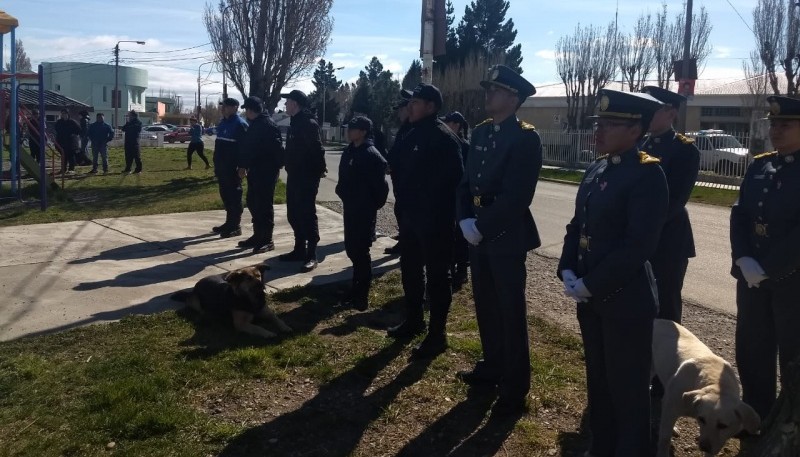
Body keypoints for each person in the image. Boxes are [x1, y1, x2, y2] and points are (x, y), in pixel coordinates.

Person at [558, 89, 668, 457]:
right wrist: (568, 268)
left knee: (628, 390)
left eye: (609, 124)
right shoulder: (598, 167)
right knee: (599, 383)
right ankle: (602, 446)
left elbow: (638, 246)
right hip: (591, 297)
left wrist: (591, 283)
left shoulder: (647, 175)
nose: (598, 131)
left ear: (635, 130)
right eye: (598, 123)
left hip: (625, 301)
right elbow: (578, 226)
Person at [455, 65, 541, 416]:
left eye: (495, 90)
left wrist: (482, 226)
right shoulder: (481, 132)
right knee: (486, 305)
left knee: (510, 311)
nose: (488, 94)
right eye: (488, 89)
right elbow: (465, 181)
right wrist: (463, 218)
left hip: (504, 233)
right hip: (477, 229)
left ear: (513, 98)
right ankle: (492, 366)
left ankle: (515, 385)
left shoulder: (525, 137)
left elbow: (517, 197)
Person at [730, 95, 800, 422]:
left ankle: (788, 425)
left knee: (793, 353)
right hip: (752, 277)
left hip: (791, 280)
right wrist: (743, 258)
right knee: (752, 346)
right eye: (773, 124)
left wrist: (769, 267)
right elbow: (740, 214)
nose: (776, 130)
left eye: (785, 124)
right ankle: (757, 414)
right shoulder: (761, 164)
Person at [387, 83, 462, 359]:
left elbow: (453, 180)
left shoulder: (443, 137)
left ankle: (437, 334)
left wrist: (427, 204)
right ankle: (414, 320)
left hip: (435, 220)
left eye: (416, 102)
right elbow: (393, 161)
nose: (410, 106)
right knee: (410, 270)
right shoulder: (411, 131)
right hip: (410, 217)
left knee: (438, 277)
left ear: (431, 107)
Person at [640, 86, 700, 324]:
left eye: (654, 110)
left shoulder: (684, 150)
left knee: (665, 306)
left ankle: (667, 359)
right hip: (638, 239)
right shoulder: (638, 145)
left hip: (668, 241)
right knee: (639, 303)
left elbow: (675, 201)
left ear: (671, 114)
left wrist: (638, 224)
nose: (648, 115)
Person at [336, 116, 389, 311]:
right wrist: (342, 193)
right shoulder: (350, 150)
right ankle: (355, 287)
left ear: (364, 131)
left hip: (364, 210)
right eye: (349, 128)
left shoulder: (371, 154)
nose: (349, 131)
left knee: (361, 252)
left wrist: (370, 205)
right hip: (350, 208)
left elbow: (381, 188)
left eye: (353, 128)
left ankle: (362, 294)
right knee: (351, 249)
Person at [279, 90, 326, 272]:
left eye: (288, 101)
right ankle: (299, 249)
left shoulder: (308, 123)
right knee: (293, 214)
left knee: (306, 214)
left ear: (296, 104)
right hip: (295, 175)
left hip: (307, 176)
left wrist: (320, 169)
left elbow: (316, 149)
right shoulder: (295, 122)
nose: (285, 105)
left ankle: (311, 254)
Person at [238, 96, 284, 253]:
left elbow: (277, 150)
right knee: (252, 202)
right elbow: (248, 148)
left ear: (252, 110)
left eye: (247, 110)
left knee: (264, 205)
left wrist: (275, 166)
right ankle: (258, 235)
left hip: (266, 171)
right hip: (255, 170)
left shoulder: (268, 125)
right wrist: (244, 165)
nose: (246, 113)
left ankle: (267, 239)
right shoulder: (256, 124)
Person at [443, 111, 471, 291]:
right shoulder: (446, 143)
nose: (446, 125)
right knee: (448, 235)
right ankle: (449, 269)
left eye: (450, 122)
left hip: (461, 196)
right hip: (446, 196)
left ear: (458, 125)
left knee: (460, 236)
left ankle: (461, 271)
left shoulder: (465, 146)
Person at [212, 98, 248, 238]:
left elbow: (245, 148)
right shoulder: (223, 123)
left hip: (233, 167)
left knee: (234, 196)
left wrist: (242, 166)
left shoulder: (240, 124)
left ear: (234, 108)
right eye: (222, 106)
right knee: (225, 195)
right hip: (222, 167)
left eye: (226, 106)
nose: (223, 108)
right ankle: (229, 222)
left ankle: (235, 226)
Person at [384, 89, 413, 256]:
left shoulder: (413, 130)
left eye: (402, 109)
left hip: (407, 182)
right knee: (399, 211)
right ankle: (403, 240)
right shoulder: (404, 129)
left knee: (405, 213)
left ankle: (406, 243)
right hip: (399, 181)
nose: (400, 113)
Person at [54, 109, 81, 174]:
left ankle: (71, 169)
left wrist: (73, 135)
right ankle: (63, 169)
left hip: (71, 142)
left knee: (70, 156)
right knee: (63, 156)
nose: (64, 115)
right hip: (61, 141)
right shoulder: (59, 122)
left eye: (65, 113)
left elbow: (79, 130)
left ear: (68, 114)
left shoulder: (72, 122)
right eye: (62, 113)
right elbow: (56, 129)